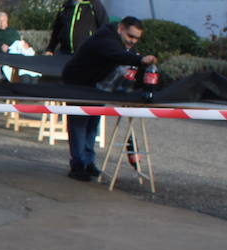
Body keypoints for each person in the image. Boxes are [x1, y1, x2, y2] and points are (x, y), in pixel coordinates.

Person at [60, 16, 157, 181]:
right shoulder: (106, 39)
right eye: (130, 36)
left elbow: (126, 59)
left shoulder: (121, 42)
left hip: (96, 85)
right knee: (79, 124)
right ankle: (78, 165)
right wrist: (141, 60)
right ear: (120, 29)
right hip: (77, 83)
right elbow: (119, 56)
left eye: (136, 38)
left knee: (92, 124)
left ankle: (88, 162)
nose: (133, 41)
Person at [45, 0, 109, 56]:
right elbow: (57, 29)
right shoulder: (65, 7)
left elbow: (104, 26)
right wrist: (50, 48)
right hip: (65, 52)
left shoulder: (93, 4)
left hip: (87, 52)